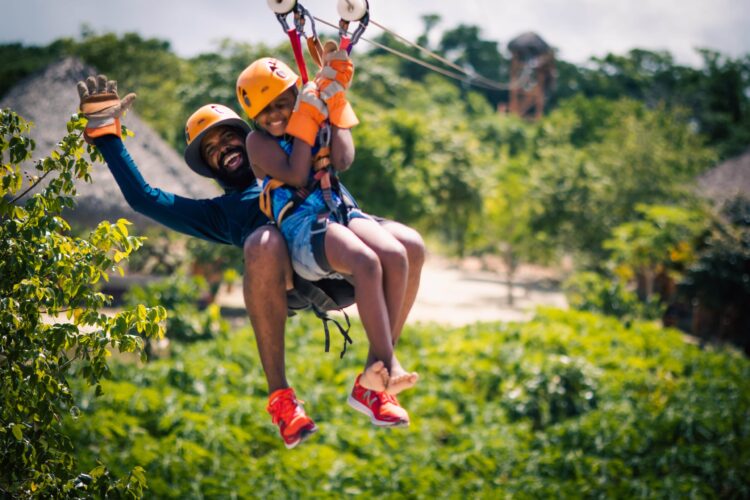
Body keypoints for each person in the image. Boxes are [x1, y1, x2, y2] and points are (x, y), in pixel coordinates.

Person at [75, 74, 425, 449]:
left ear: (249, 137)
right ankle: (282, 399)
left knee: (410, 244)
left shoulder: (286, 152)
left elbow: (300, 109)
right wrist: (107, 136)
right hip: (291, 279)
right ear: (209, 168)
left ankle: (377, 377)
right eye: (211, 149)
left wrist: (327, 87)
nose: (223, 147)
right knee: (264, 239)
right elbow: (145, 198)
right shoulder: (220, 213)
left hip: (343, 249)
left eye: (228, 137)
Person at [236, 52, 419, 427]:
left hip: (341, 210)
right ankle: (387, 367)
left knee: (397, 253)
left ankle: (374, 373)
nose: (275, 115)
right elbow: (297, 171)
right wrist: (304, 117)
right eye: (265, 111)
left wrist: (333, 107)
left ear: (294, 96)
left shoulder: (314, 119)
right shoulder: (257, 143)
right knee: (365, 262)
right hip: (301, 227)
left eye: (283, 105)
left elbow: (344, 159)